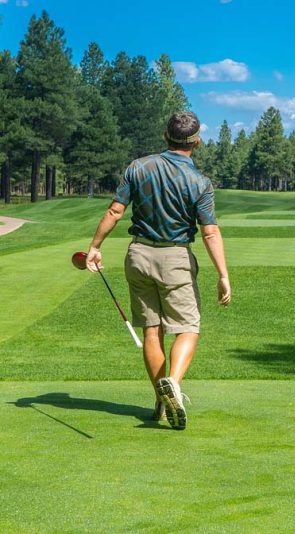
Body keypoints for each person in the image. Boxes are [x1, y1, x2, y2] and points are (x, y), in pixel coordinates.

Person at [85, 111, 231, 430]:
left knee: (153, 330)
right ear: (197, 141)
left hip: (138, 254)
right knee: (188, 327)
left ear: (166, 136)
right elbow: (209, 232)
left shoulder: (138, 167)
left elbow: (115, 210)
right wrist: (223, 275)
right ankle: (173, 386)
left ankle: (161, 400)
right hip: (175, 257)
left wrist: (95, 246)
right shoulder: (200, 182)